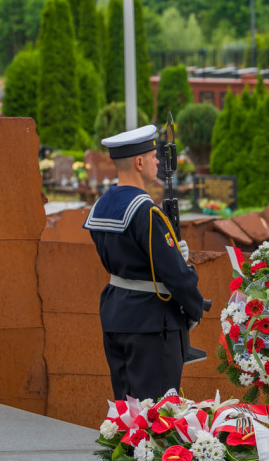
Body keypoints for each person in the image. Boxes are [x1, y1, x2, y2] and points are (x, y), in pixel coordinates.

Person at [82, 125, 205, 401]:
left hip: (116, 314)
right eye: (152, 156)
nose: (158, 161)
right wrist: (195, 308)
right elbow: (175, 275)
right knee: (156, 411)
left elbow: (125, 256)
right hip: (151, 323)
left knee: (127, 409)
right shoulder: (145, 211)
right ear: (139, 163)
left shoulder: (102, 205)